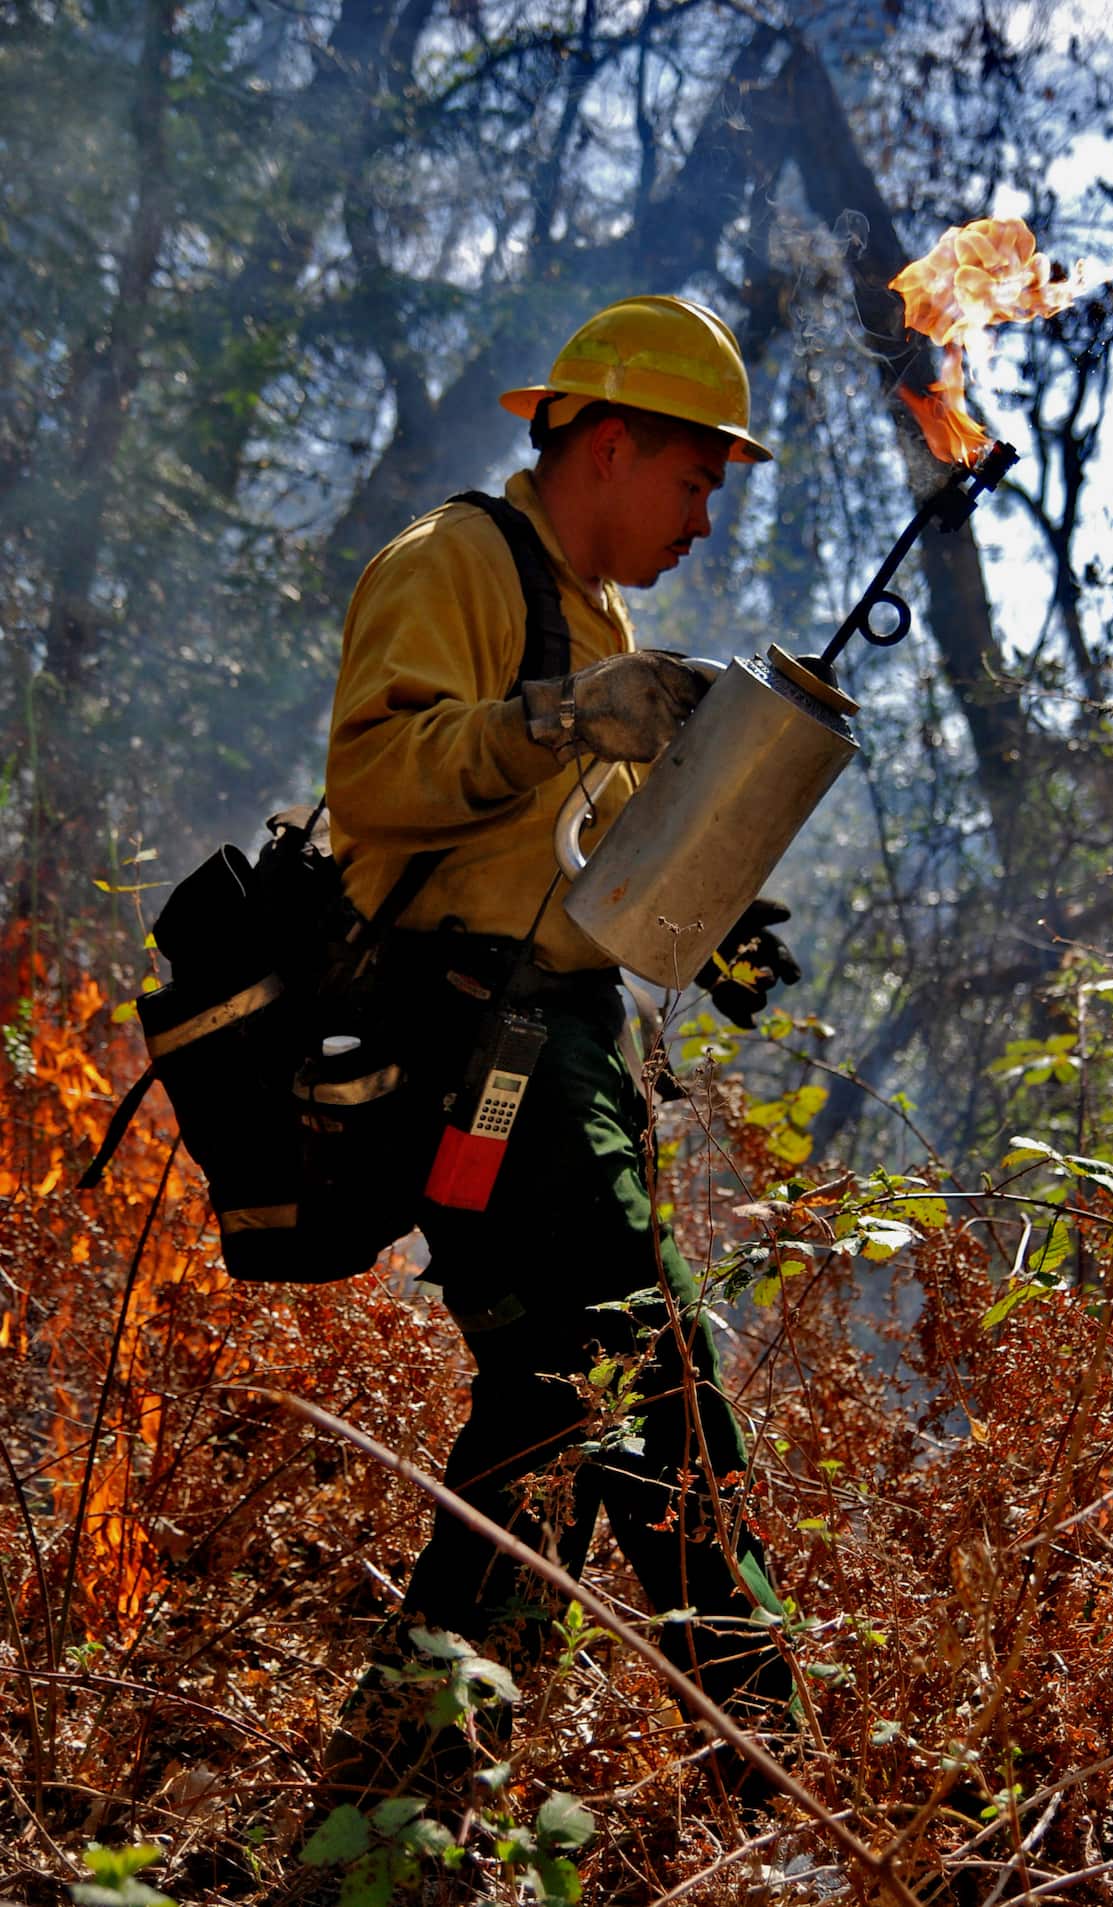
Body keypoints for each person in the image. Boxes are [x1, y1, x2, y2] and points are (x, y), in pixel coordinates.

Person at [323, 295, 800, 1802]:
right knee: (643, 1371)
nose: (705, 518)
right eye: (694, 478)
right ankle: (772, 1768)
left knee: (551, 1399)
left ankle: (407, 1782)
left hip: (556, 1049)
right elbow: (377, 776)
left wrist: (713, 921)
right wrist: (556, 716)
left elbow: (570, 865)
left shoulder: (602, 623)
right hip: (472, 1045)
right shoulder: (455, 563)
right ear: (607, 444)